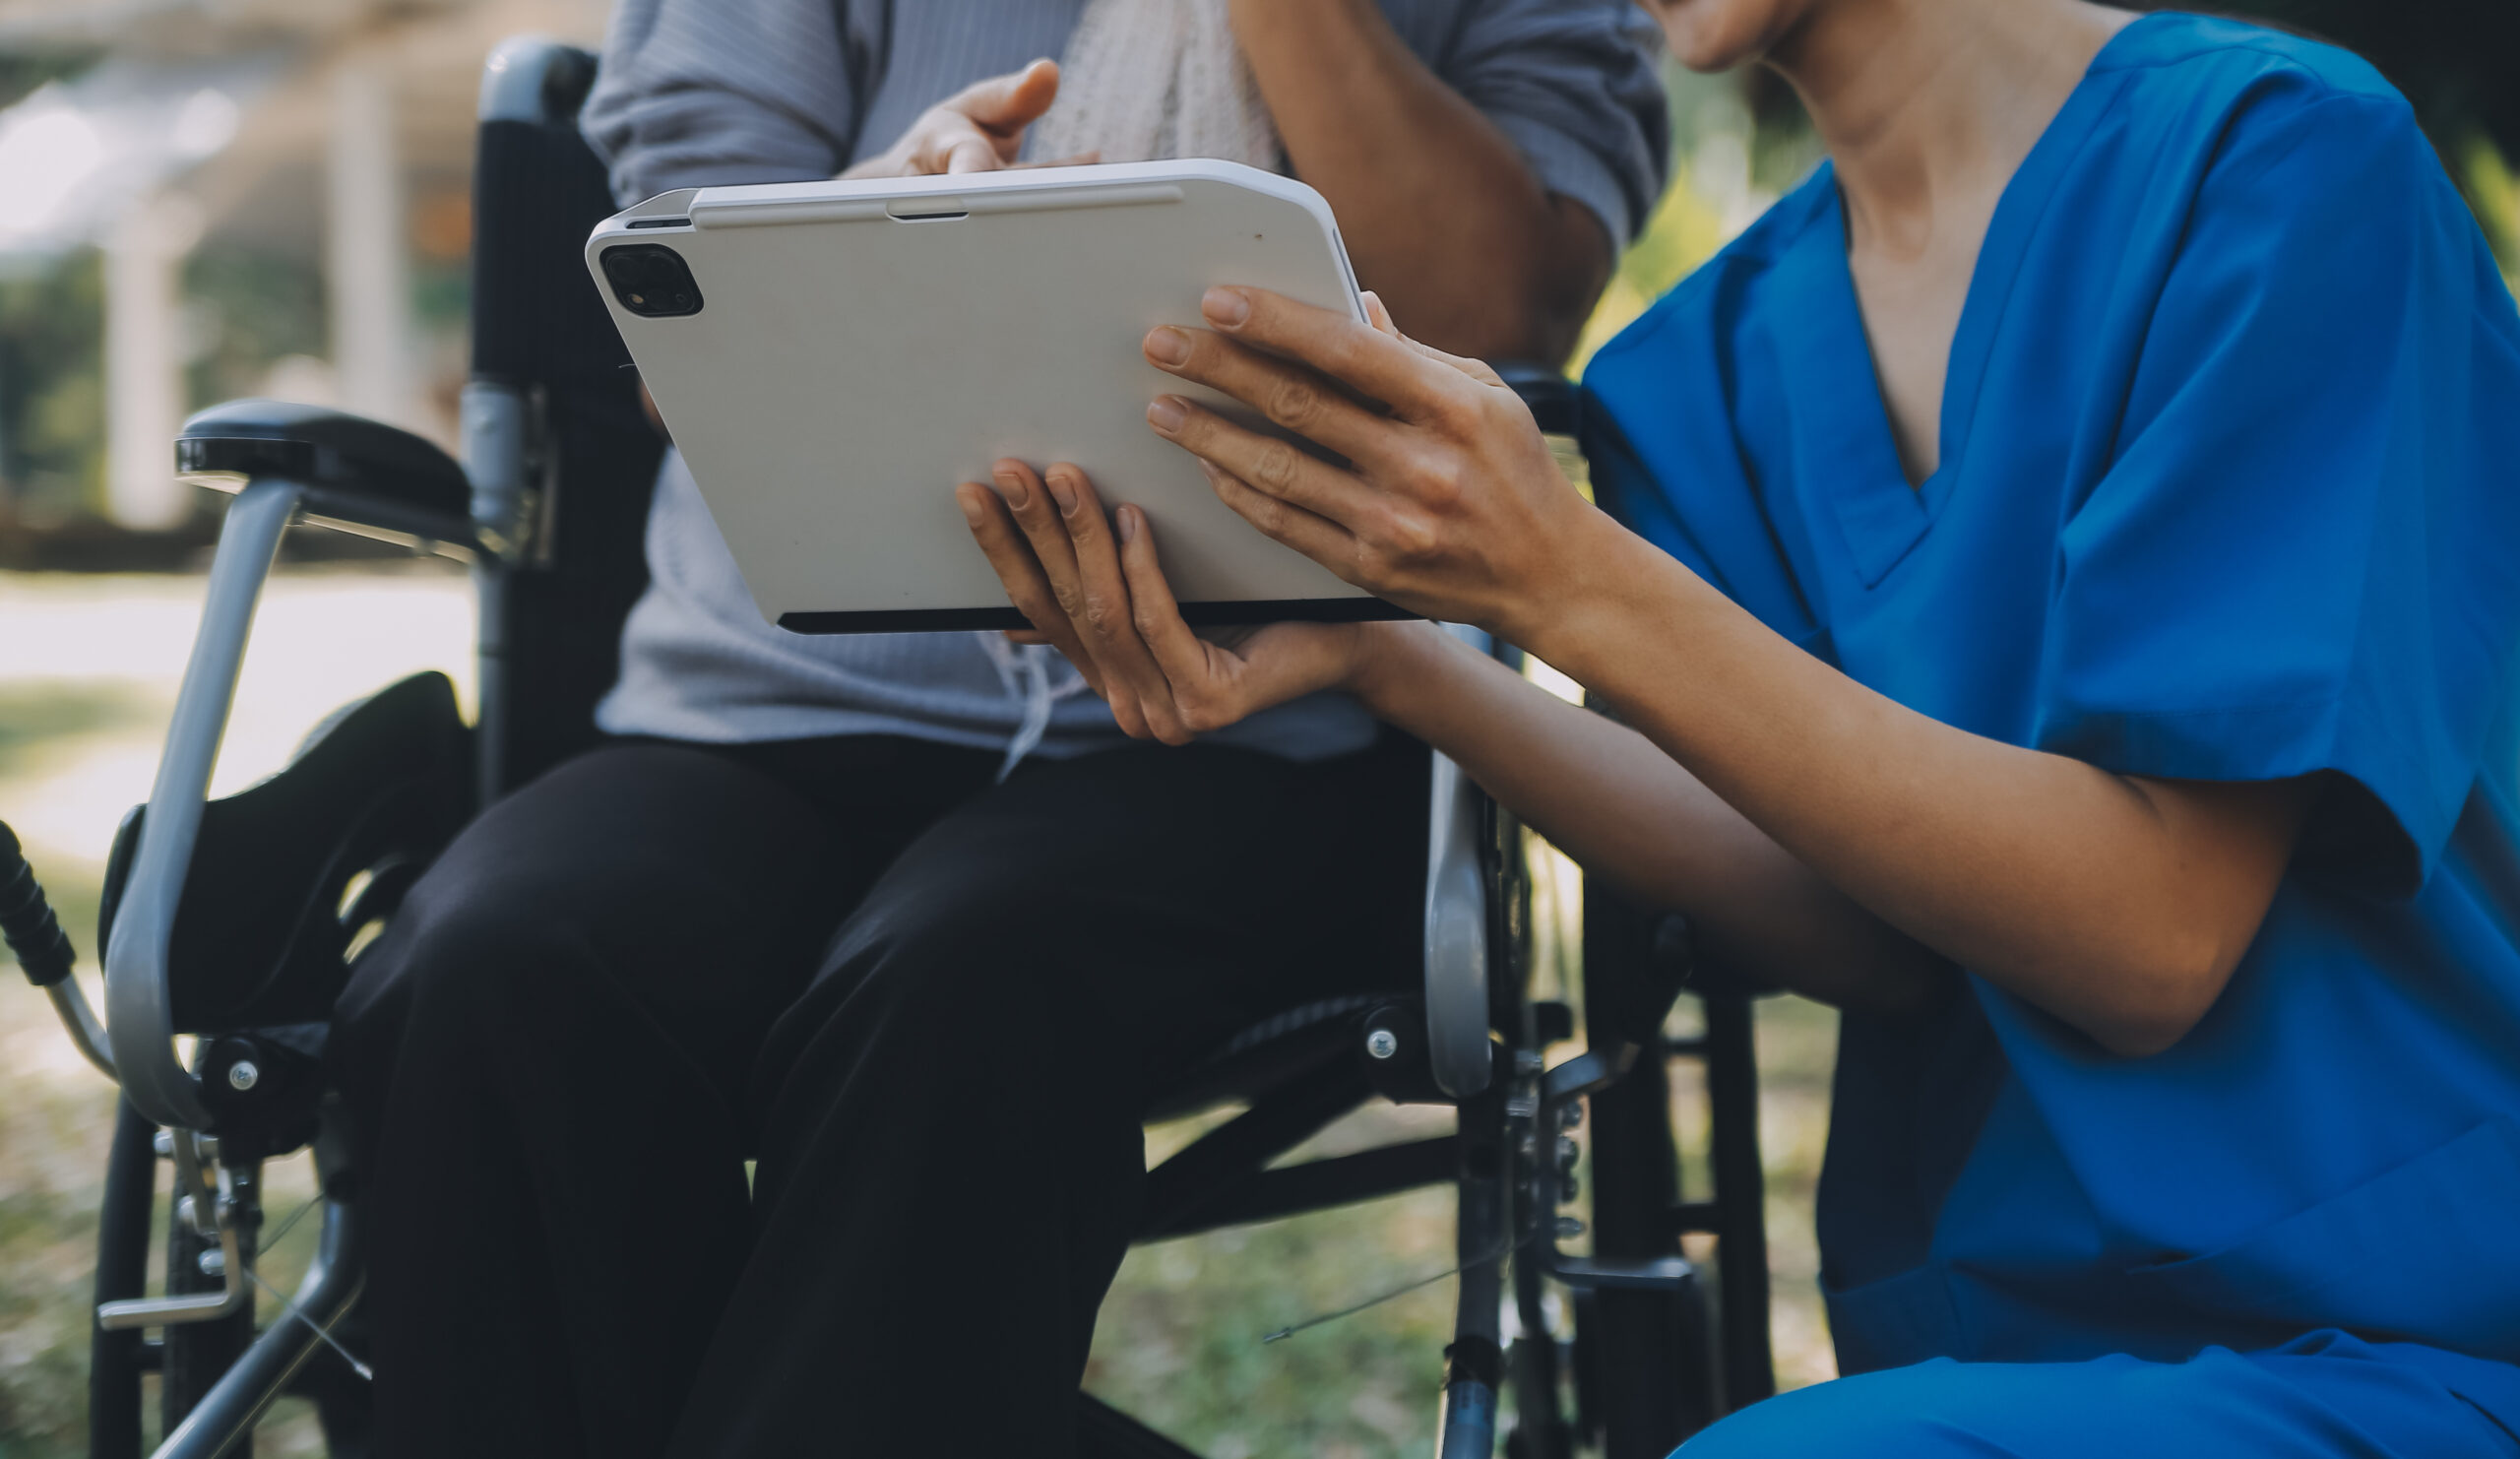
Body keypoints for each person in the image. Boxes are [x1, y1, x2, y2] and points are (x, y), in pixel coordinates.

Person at [964, 0, 2520, 1453]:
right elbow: (1868, 937)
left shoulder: (2285, 166)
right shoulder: (1702, 365)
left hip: (2407, 1327)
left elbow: (2154, 938)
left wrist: (1566, 582)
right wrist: (1402, 663)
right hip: (1991, 1351)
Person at [326, 3, 1666, 1456]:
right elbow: (680, 321)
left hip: (1253, 729)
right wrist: (869, 225)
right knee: (499, 952)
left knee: (969, 973)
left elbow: (1492, 325)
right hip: (768, 702)